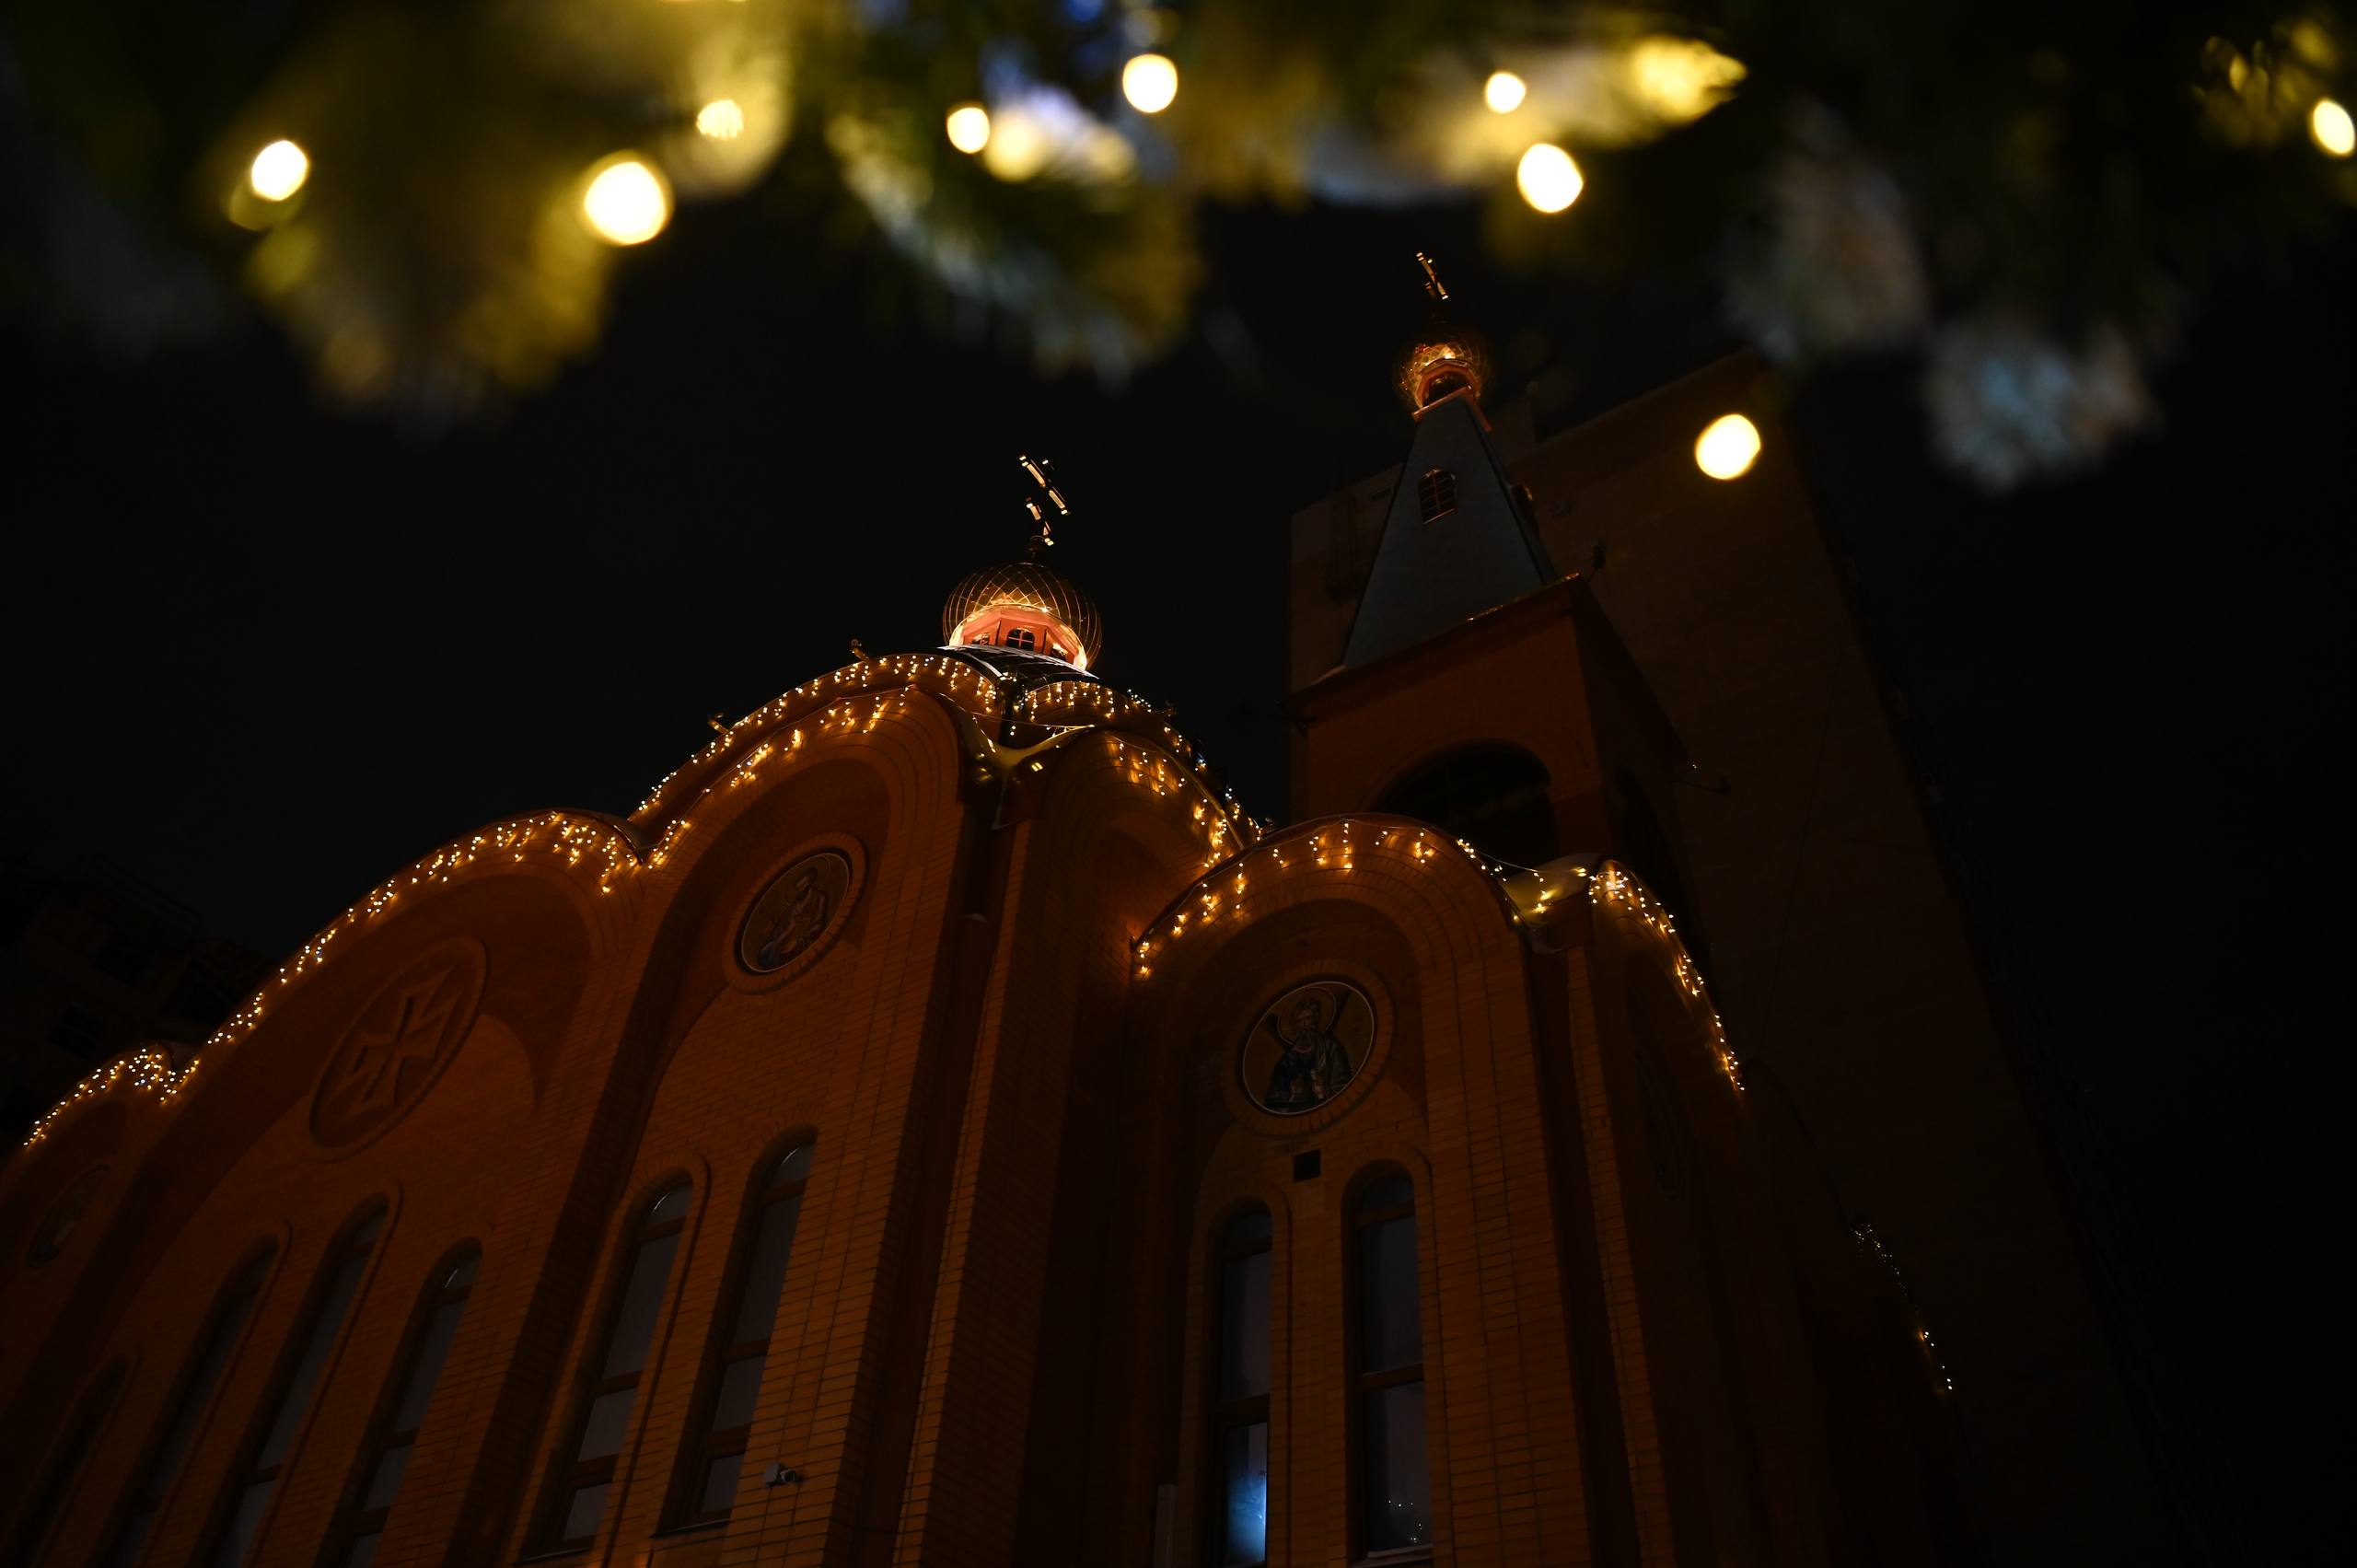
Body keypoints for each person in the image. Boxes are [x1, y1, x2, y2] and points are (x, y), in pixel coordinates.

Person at [1261, 990, 1353, 1111]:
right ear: (1295, 1026)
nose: (1304, 1025)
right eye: (1299, 1021)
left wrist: (1322, 1092)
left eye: (1308, 1018)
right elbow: (1273, 1101)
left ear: (1315, 1022)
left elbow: (1344, 1087)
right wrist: (1293, 1095)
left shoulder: (1331, 1048)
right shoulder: (1286, 1061)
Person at [755, 865, 830, 969]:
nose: (800, 889)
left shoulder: (820, 898)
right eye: (797, 887)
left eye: (803, 885)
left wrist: (798, 942)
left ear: (810, 883)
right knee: (765, 953)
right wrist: (780, 938)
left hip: (801, 944)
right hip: (783, 948)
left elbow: (818, 924)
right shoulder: (790, 910)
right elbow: (777, 933)